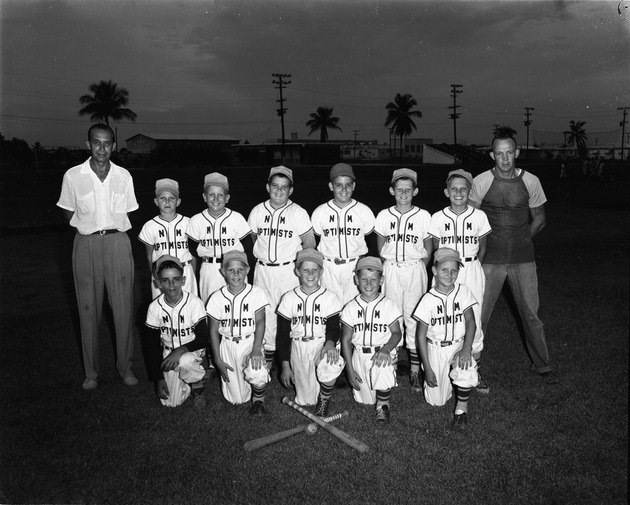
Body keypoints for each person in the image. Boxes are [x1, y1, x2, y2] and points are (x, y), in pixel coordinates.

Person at [470, 131, 559, 386]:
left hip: (523, 260)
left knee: (531, 314)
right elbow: (470, 221)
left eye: (509, 152)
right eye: (499, 153)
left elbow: (540, 218)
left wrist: (523, 238)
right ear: (492, 155)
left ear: (517, 153)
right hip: (490, 261)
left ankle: (542, 365)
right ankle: (472, 367)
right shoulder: (482, 181)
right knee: (480, 315)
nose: (505, 158)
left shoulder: (531, 181)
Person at [56, 123, 139, 391]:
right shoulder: (73, 175)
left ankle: (125, 368)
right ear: (88, 144)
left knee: (124, 310)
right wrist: (87, 228)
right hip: (86, 244)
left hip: (117, 243)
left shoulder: (124, 175)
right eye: (96, 143)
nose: (102, 149)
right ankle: (91, 373)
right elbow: (68, 211)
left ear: (114, 145)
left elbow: (127, 210)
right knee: (88, 310)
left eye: (107, 143)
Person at [428, 169, 492, 392]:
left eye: (463, 188)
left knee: (473, 318)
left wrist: (472, 267)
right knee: (444, 316)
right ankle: (444, 365)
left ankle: (474, 368)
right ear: (446, 191)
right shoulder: (437, 217)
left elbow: (483, 248)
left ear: (469, 191)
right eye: (453, 188)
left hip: (471, 267)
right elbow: (435, 250)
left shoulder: (479, 216)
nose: (458, 192)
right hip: (445, 269)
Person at [247, 165, 315, 368]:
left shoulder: (298, 212)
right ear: (268, 187)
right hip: (264, 269)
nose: (279, 190)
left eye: (284, 187)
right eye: (275, 186)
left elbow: (309, 244)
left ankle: (293, 361)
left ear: (290, 190)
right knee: (264, 314)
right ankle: (266, 363)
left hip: (288, 271)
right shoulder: (258, 211)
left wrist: (300, 269)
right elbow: (253, 239)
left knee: (291, 314)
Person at [375, 168, 432, 393]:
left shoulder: (424, 215)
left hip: (414, 268)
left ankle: (416, 371)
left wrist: (421, 267)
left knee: (414, 317)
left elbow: (428, 245)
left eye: (408, 190)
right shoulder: (384, 215)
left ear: (415, 191)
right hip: (390, 268)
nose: (404, 193)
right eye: (399, 189)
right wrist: (385, 264)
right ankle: (394, 364)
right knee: (392, 315)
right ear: (392, 190)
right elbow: (380, 243)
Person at [413, 248, 479, 429]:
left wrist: (467, 348)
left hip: (458, 346)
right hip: (435, 348)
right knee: (437, 401)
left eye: (454, 270)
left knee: (466, 366)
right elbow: (420, 336)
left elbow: (471, 322)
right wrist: (426, 368)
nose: (449, 275)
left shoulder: (463, 292)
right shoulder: (428, 299)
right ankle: (449, 379)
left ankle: (461, 410)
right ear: (434, 271)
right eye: (444, 270)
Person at [276, 249, 344, 417]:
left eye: (315, 270)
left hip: (321, 344)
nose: (311, 274)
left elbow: (334, 327)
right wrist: (285, 365)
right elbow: (283, 334)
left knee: (331, 364)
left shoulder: (329, 296)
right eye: (306, 270)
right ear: (297, 271)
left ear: (321, 271)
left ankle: (325, 399)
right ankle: (319, 391)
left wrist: (330, 344)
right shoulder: (289, 298)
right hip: (298, 346)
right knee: (306, 401)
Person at [205, 251, 271, 415]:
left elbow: (260, 321)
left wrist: (256, 349)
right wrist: (217, 360)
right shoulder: (216, 297)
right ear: (222, 272)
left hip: (249, 342)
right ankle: (248, 383)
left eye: (240, 270)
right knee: (236, 399)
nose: (236, 274)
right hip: (227, 344)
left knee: (258, 371)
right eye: (231, 270)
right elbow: (213, 330)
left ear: (247, 270)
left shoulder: (256, 292)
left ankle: (258, 401)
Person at [340, 257, 402, 424]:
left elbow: (397, 333)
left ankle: (383, 406)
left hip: (382, 352)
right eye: (364, 279)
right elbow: (345, 339)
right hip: (360, 355)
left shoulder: (388, 304)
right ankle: (378, 395)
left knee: (382, 364)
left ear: (381, 280)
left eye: (374, 279)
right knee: (365, 400)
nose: (369, 283)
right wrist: (349, 369)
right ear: (356, 280)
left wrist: (386, 349)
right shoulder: (351, 307)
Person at [144, 256, 208, 408]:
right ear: (158, 282)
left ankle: (197, 385)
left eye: (176, 279)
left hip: (192, 351)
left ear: (183, 280)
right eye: (165, 280)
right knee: (170, 403)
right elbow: (151, 346)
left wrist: (180, 351)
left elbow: (204, 339)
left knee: (185, 360)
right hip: (168, 354)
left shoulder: (194, 303)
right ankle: (185, 380)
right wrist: (158, 378)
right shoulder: (154, 307)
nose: (171, 285)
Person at [311, 163, 376, 305]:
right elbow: (314, 241)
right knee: (329, 309)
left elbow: (371, 242)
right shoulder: (320, 212)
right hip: (328, 267)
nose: (344, 189)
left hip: (355, 265)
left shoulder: (364, 211)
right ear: (331, 186)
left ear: (354, 186)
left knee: (355, 310)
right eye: (338, 185)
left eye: (348, 184)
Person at [186, 172, 251, 304]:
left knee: (237, 305)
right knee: (210, 308)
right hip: (209, 269)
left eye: (220, 195)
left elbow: (248, 247)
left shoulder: (236, 218)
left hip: (234, 268)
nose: (216, 199)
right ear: (204, 197)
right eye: (211, 194)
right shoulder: (196, 220)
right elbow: (193, 250)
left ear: (227, 198)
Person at [138, 178, 198, 300]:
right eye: (162, 198)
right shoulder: (150, 226)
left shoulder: (189, 222)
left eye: (171, 198)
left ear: (178, 201)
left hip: (185, 271)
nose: (167, 201)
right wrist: (156, 275)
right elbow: (150, 256)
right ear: (156, 201)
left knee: (188, 309)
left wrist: (191, 273)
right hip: (161, 273)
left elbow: (194, 254)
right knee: (163, 312)